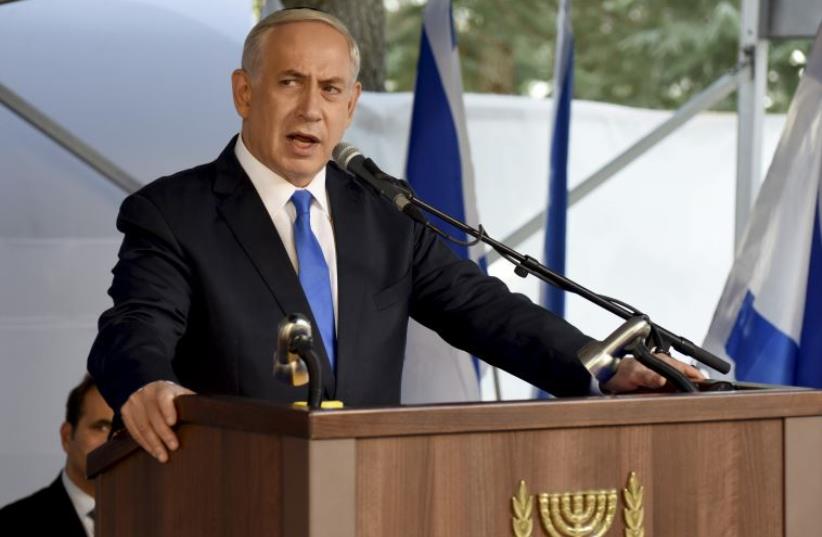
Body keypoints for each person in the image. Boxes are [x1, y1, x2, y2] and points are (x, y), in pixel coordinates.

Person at [87, 8, 702, 464]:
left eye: (330, 90)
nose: (310, 110)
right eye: (289, 82)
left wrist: (603, 366)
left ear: (351, 106)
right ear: (244, 92)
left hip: (371, 487)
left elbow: (485, 310)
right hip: (231, 488)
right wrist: (144, 381)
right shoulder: (172, 213)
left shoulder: (383, 214)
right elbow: (135, 324)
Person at [0, 375, 114, 537]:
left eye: (123, 431)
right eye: (101, 427)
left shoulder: (155, 520)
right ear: (67, 436)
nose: (113, 441)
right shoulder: (12, 523)